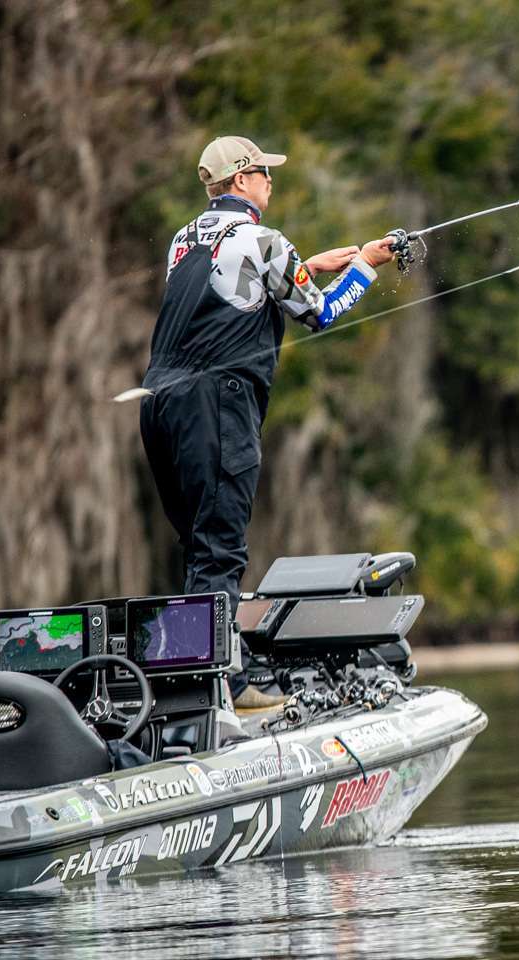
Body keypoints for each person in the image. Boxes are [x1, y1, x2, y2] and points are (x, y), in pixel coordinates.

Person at [139, 136, 394, 705]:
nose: (270, 181)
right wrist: (365, 267)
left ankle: (188, 683)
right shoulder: (267, 239)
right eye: (263, 173)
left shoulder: (184, 240)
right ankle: (226, 688)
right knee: (220, 549)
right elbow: (320, 313)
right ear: (241, 181)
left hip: (159, 402)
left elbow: (232, 285)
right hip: (217, 404)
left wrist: (310, 263)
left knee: (199, 548)